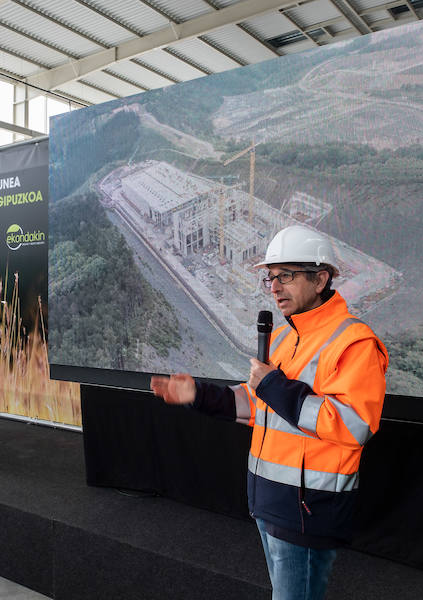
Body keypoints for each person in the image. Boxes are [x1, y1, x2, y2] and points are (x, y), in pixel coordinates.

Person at [150, 225, 388, 600]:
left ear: (321, 278)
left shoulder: (354, 343)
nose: (275, 287)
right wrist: (199, 394)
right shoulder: (284, 338)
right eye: (271, 278)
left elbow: (353, 424)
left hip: (308, 511)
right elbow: (259, 406)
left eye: (286, 276)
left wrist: (273, 385)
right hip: (270, 500)